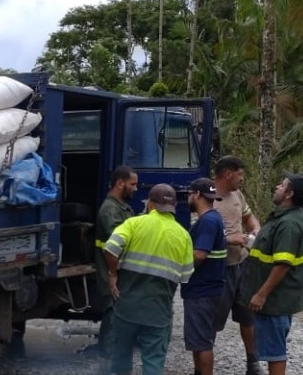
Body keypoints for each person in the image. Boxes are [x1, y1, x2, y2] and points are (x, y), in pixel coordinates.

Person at [103, 184, 194, 375]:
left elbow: (111, 248)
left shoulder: (134, 223)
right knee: (153, 362)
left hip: (126, 308)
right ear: (173, 208)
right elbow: (185, 276)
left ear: (151, 204)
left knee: (120, 357)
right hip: (158, 312)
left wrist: (113, 274)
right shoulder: (184, 236)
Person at [243, 172, 303, 375]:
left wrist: (261, 294)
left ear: (289, 194)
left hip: (276, 300)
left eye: (282, 185)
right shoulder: (283, 217)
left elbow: (283, 264)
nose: (277, 187)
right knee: (272, 348)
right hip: (275, 298)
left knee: (275, 351)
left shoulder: (289, 224)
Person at [212, 155, 264, 375]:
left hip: (241, 264)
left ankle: (252, 361)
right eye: (240, 174)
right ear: (228, 174)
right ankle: (204, 364)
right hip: (217, 267)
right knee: (212, 318)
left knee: (247, 315)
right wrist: (228, 238)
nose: (242, 179)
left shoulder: (237, 196)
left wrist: (256, 230)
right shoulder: (206, 196)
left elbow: (249, 218)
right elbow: (196, 232)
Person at [93, 165, 137, 370]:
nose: (136, 188)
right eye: (132, 184)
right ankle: (108, 364)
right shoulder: (110, 210)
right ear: (120, 183)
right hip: (110, 273)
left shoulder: (121, 207)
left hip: (117, 272)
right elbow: (117, 243)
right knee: (112, 317)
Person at [182, 178, 227, 375]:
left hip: (203, 291)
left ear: (197, 195)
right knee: (199, 340)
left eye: (190, 194)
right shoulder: (213, 218)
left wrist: (178, 269)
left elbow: (200, 253)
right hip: (207, 289)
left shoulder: (208, 221)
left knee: (202, 342)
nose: (188, 198)